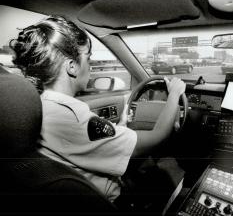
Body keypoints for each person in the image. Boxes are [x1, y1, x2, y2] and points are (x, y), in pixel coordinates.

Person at [9, 16, 186, 207]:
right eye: (88, 57)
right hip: (111, 202)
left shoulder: (34, 107)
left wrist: (121, 126)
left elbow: (87, 143)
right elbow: (158, 136)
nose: (91, 65)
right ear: (72, 66)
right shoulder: (73, 117)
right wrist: (175, 94)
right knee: (171, 169)